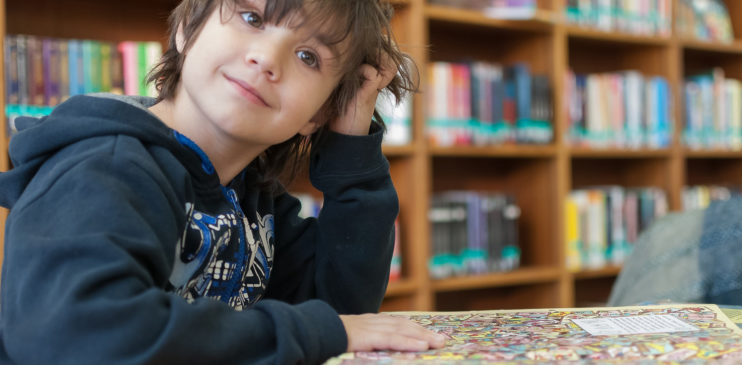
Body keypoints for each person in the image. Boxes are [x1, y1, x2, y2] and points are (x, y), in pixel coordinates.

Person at [0, 0, 446, 363]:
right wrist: (318, 331)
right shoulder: (104, 166)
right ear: (186, 28)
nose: (267, 59)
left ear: (318, 114)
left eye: (309, 57)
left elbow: (338, 310)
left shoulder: (254, 198)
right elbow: (75, 335)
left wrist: (351, 144)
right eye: (252, 18)